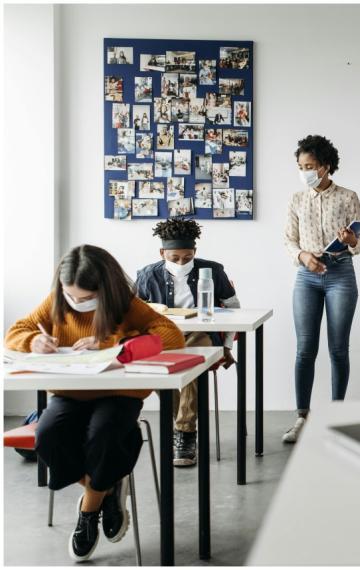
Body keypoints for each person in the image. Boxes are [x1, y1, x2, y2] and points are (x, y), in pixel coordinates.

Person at [4, 245, 185, 562]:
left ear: (105, 288)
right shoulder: (57, 301)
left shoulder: (124, 304)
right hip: (70, 390)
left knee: (103, 435)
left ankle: (89, 510)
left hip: (118, 393)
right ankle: (107, 487)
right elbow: (16, 332)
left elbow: (171, 335)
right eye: (70, 294)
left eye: (86, 298)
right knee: (47, 437)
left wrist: (113, 344)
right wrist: (33, 340)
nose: (78, 302)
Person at [283, 134, 360, 443]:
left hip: (340, 272)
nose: (304, 171)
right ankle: (301, 416)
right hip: (307, 275)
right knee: (305, 349)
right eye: (300, 165)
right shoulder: (296, 199)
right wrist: (303, 256)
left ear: (326, 166)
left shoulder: (348, 197)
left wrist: (351, 240)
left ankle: (336, 417)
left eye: (310, 166)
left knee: (338, 348)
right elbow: (288, 239)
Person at [136, 218, 240, 466]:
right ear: (162, 253)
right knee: (159, 369)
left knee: (193, 363)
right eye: (174, 258)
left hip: (201, 335)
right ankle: (184, 425)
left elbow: (234, 308)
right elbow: (132, 313)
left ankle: (184, 432)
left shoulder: (213, 271)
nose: (181, 263)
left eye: (187, 257)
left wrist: (227, 346)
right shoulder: (147, 275)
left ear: (195, 252)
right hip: (163, 338)